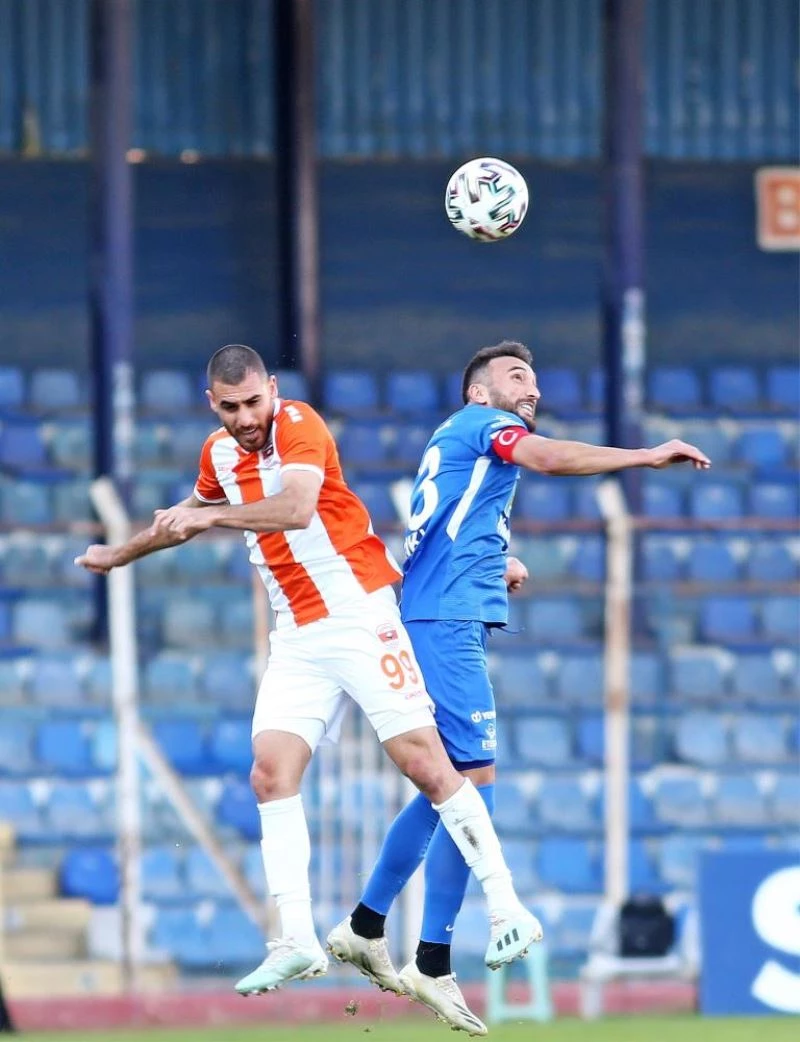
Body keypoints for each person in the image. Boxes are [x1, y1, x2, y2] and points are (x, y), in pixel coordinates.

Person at [74, 343, 541, 997]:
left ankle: (505, 906)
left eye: (253, 402)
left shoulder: (299, 424)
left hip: (359, 613)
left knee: (428, 766)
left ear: (272, 388)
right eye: (230, 408)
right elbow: (181, 520)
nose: (245, 418)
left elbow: (294, 508)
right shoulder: (217, 454)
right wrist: (117, 555)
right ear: (212, 404)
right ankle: (295, 941)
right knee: (269, 773)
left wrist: (209, 515)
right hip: (296, 635)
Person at [327, 340, 711, 1035]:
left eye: (535, 381)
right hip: (445, 620)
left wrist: (497, 560)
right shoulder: (484, 425)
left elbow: (441, 529)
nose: (531, 390)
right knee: (473, 785)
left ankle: (367, 924)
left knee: (443, 786)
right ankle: (430, 957)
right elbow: (550, 457)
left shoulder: (459, 441)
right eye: (516, 377)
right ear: (480, 392)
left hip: (444, 611)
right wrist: (644, 456)